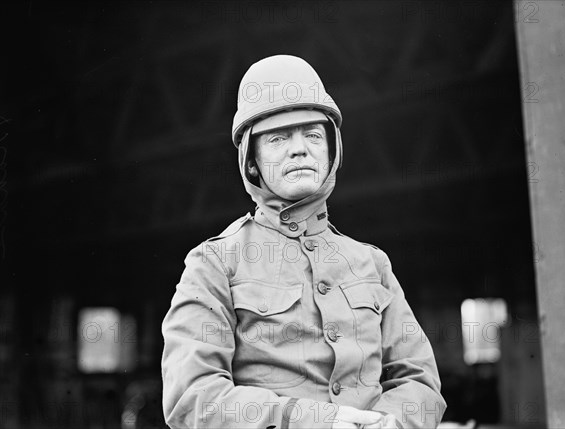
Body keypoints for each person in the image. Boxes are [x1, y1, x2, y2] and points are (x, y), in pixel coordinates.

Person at [161, 55, 446, 428]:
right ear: (251, 161)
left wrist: (391, 422)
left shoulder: (372, 264)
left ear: (332, 150)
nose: (300, 149)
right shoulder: (215, 262)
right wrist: (304, 419)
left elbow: (420, 380)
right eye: (278, 138)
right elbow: (192, 396)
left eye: (312, 134)